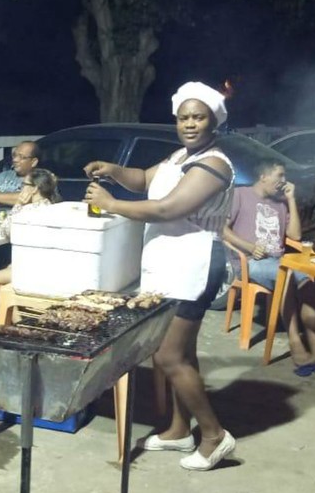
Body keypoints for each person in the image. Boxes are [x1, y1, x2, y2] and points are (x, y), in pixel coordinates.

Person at [83, 80, 235, 472]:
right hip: (169, 265)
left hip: (195, 264)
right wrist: (114, 171)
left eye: (198, 117)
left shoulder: (214, 163)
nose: (189, 124)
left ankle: (214, 435)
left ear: (213, 122)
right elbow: (144, 180)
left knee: (167, 355)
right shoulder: (178, 157)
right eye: (183, 117)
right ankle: (179, 429)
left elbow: (169, 209)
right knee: (182, 354)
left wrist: (110, 204)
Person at [222, 159, 315, 376]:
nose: (283, 181)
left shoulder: (280, 202)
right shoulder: (240, 194)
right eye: (279, 175)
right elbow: (222, 229)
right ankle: (295, 342)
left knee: (308, 279)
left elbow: (296, 235)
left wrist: (291, 200)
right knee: (287, 276)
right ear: (263, 176)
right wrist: (248, 246)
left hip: (278, 261)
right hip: (249, 262)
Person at [0, 168, 61, 297]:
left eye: (24, 185)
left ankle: (14, 317)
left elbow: (4, 232)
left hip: (32, 268)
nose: (21, 189)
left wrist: (18, 204)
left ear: (34, 189)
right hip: (51, 265)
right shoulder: (55, 206)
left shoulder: (26, 212)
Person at [0, 140, 40, 224]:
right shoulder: (3, 175)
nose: (15, 160)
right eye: (14, 155)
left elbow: (35, 200)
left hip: (16, 230)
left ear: (33, 162)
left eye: (21, 157)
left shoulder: (41, 179)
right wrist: (19, 198)